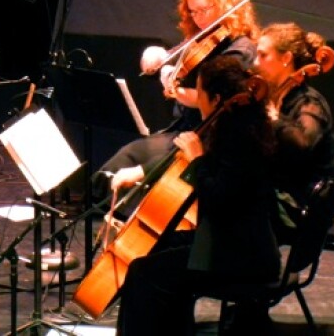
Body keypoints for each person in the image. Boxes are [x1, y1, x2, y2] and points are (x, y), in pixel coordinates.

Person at [113, 55, 281, 335]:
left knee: (143, 273)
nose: (196, 99)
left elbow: (219, 201)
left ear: (215, 99)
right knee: (160, 248)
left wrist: (197, 160)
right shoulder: (237, 125)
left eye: (200, 92)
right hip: (236, 242)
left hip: (240, 256)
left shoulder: (238, 138)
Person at [95, 0, 261, 209]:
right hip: (183, 128)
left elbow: (211, 100)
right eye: (193, 12)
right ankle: (91, 207)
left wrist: (175, 90)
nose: (199, 19)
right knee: (123, 158)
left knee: (133, 163)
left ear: (226, 5)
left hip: (207, 136)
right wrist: (155, 62)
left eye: (204, 10)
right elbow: (170, 67)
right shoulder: (201, 39)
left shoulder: (240, 49)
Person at [253, 22, 334, 243]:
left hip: (301, 204)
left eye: (263, 56)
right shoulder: (273, 96)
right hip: (278, 194)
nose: (255, 62)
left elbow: (302, 145)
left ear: (286, 58)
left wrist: (273, 119)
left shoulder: (309, 102)